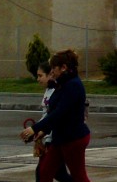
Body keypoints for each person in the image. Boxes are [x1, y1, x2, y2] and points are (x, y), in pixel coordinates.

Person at [21, 50, 90, 182]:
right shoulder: (63, 83)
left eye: (54, 68)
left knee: (79, 176)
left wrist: (35, 128)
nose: (52, 71)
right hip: (60, 138)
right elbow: (55, 113)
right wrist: (43, 131)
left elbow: (59, 112)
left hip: (73, 139)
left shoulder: (73, 85)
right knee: (44, 172)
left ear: (64, 67)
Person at [33, 61, 72, 182]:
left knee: (42, 172)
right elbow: (45, 115)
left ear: (50, 74)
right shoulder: (48, 90)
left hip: (55, 138)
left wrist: (40, 130)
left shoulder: (57, 91)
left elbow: (54, 116)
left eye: (40, 76)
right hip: (49, 137)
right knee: (58, 174)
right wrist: (37, 129)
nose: (38, 79)